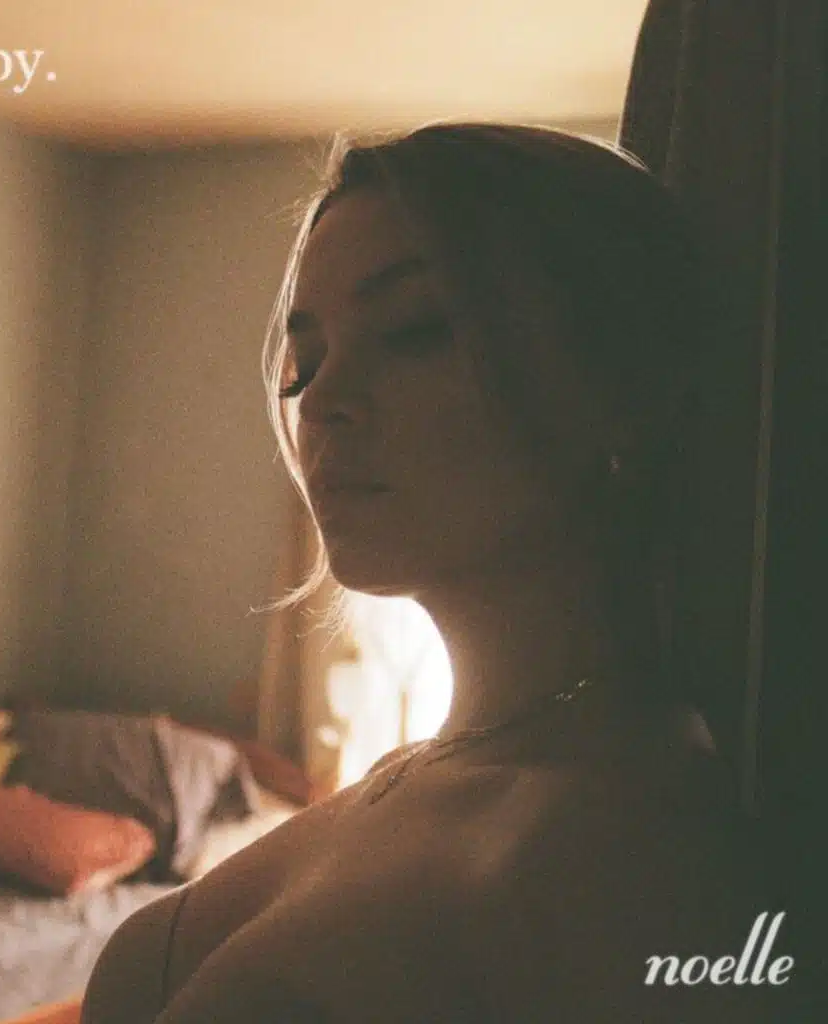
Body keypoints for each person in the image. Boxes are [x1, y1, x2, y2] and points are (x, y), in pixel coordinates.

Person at [82, 123, 787, 1022]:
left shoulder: (634, 847)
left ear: (617, 388)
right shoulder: (442, 771)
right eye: (307, 358)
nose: (322, 400)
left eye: (416, 330)